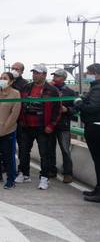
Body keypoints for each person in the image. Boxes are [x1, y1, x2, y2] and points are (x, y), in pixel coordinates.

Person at [17, 64, 60, 190]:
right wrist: (20, 120)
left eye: (37, 73)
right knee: (23, 151)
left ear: (44, 75)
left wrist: (51, 125)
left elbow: (57, 110)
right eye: (34, 72)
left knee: (44, 154)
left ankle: (44, 178)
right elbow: (20, 105)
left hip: (43, 126)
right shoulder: (26, 87)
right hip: (26, 125)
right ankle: (24, 174)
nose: (34, 75)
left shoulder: (52, 90)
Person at [0, 72, 21, 189]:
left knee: (8, 155)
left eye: (5, 78)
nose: (2, 80)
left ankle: (11, 179)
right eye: (1, 78)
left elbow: (14, 113)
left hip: (8, 130)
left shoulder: (15, 94)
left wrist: (6, 126)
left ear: (11, 81)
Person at [75, 63, 100, 202]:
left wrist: (79, 103)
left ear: (96, 73)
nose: (87, 75)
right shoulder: (95, 87)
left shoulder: (98, 88)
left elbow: (93, 108)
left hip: (96, 128)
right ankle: (98, 188)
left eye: (89, 73)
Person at [48, 69, 76, 183]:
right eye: (54, 76)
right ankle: (51, 170)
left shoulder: (69, 92)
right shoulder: (48, 89)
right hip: (50, 124)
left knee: (65, 149)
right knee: (50, 149)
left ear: (64, 78)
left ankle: (68, 173)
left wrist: (67, 109)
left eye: (57, 76)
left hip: (63, 125)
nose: (54, 78)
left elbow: (75, 108)